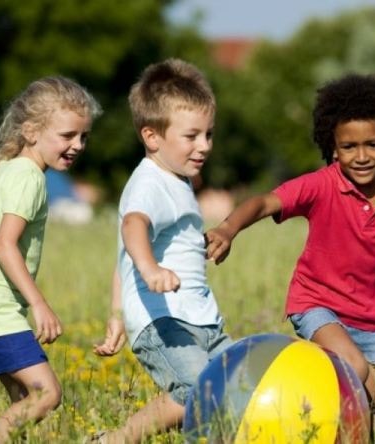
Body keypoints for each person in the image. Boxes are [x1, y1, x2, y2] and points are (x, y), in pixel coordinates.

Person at [206, 74, 375, 408]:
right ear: (334, 149)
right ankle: (291, 406)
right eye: (349, 147)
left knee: (370, 408)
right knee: (354, 367)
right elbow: (264, 202)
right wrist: (227, 229)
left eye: (372, 145)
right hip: (316, 303)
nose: (361, 156)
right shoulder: (320, 185)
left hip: (372, 318)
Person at [0, 76, 101, 443]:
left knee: (22, 401)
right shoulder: (29, 177)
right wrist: (39, 303)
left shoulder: (13, 169)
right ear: (32, 131)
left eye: (83, 137)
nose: (77, 145)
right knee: (46, 394)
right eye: (67, 135)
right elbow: (5, 245)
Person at [93, 58, 233, 443]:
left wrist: (117, 313)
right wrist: (151, 269)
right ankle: (120, 439)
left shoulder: (176, 180)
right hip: (165, 322)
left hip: (201, 319)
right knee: (202, 396)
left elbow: (124, 255)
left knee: (238, 383)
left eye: (208, 134)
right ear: (152, 137)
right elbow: (132, 228)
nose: (204, 146)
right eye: (192, 136)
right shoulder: (150, 183)